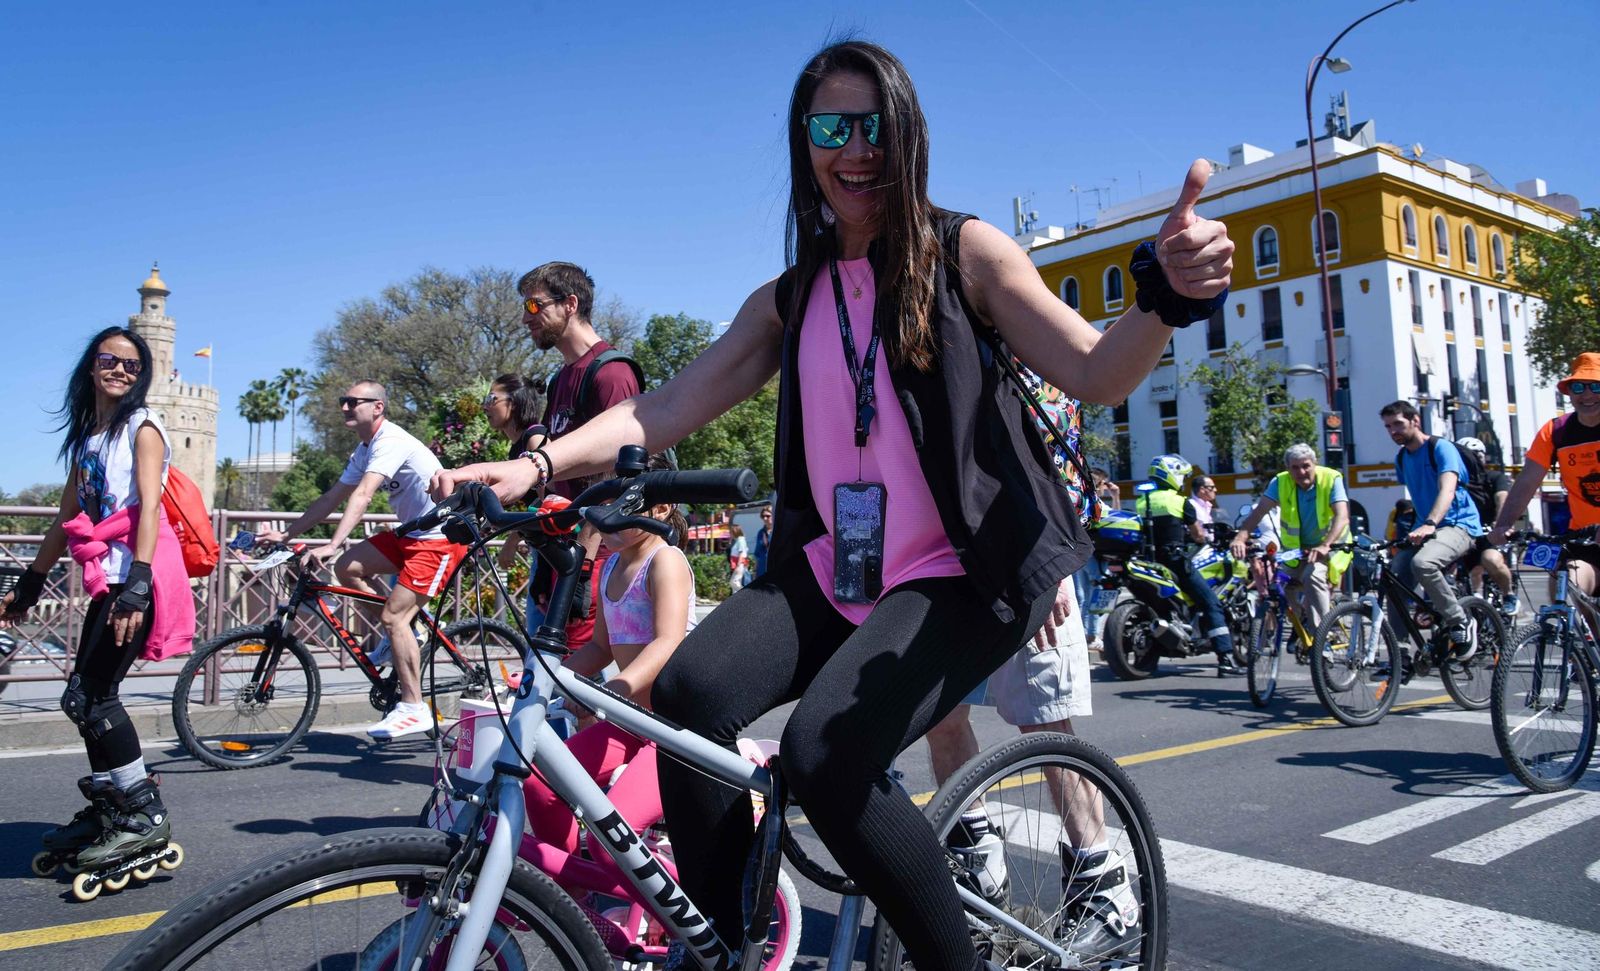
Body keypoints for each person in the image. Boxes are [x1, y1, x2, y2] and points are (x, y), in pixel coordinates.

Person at [433, 40, 1233, 969]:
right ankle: (726, 945)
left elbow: (1096, 371)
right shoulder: (792, 296)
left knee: (825, 754)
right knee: (685, 695)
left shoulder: (965, 251)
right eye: (831, 129)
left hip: (963, 568)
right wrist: (534, 467)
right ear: (803, 143)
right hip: (840, 563)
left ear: (909, 134)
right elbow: (662, 408)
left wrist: (1164, 298)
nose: (856, 150)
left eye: (875, 126)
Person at [0, 327, 195, 873]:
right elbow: (68, 516)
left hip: (135, 580)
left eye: (132, 366)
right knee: (82, 699)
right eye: (111, 360)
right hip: (105, 581)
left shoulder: (142, 427)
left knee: (96, 699)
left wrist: (137, 583)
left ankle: (143, 813)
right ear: (92, 366)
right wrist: (32, 580)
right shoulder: (91, 435)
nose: (120, 371)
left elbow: (149, 508)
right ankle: (112, 806)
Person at [922, 581, 1128, 954]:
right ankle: (979, 869)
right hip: (949, 576)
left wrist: (1047, 576)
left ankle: (1104, 886)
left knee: (1045, 722)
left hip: (1023, 566)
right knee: (939, 715)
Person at [256, 381, 465, 739]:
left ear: (378, 407)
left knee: (393, 617)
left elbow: (364, 494)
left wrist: (333, 543)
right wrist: (287, 535)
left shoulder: (390, 441)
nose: (344, 407)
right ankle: (412, 630)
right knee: (347, 567)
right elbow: (332, 497)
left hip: (438, 539)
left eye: (353, 402)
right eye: (343, 401)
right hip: (411, 534)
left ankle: (413, 708)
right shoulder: (364, 449)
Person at [521, 453, 695, 866]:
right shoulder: (613, 564)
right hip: (632, 722)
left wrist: (610, 692)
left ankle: (656, 904)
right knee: (541, 786)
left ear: (661, 508)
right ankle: (573, 895)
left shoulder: (664, 560)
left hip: (674, 731)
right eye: (603, 503)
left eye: (622, 505)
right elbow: (600, 647)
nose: (606, 518)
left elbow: (668, 642)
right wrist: (543, 678)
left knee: (610, 839)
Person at [521, 261, 643, 652]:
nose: (526, 318)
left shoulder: (611, 373)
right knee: (548, 671)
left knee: (578, 678)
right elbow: (554, 473)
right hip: (563, 550)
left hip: (597, 553)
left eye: (535, 305)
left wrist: (584, 567)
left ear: (570, 304)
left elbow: (615, 480)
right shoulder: (560, 379)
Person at [1487, 352, 1600, 599]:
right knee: (1566, 585)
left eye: (1596, 386)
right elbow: (1527, 481)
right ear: (1569, 393)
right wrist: (1504, 524)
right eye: (1578, 387)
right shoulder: (1555, 431)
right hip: (1585, 539)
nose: (1587, 394)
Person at [1380, 399, 1482, 650]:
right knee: (1394, 578)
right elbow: (1419, 495)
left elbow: (1447, 490)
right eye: (1388, 427)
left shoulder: (1441, 448)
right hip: (1425, 529)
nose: (1393, 431)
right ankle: (1400, 652)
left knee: (1423, 563)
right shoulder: (1402, 458)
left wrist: (1429, 523)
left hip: (1458, 525)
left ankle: (1460, 621)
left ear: (1415, 420)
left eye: (1398, 424)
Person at [1230, 443, 1350, 633]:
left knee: (1312, 576)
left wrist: (1325, 545)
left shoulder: (1331, 478)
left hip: (1331, 546)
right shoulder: (1280, 482)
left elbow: (1342, 516)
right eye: (1295, 467)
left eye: (1306, 466)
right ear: (1288, 468)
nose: (1301, 472)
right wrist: (1239, 538)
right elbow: (1258, 512)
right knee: (1279, 583)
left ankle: (1324, 633)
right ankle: (1302, 622)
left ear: (1315, 463)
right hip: (1298, 551)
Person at [1139, 454, 1240, 675]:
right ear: (1172, 475)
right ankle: (1226, 658)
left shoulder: (1142, 501)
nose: (1183, 481)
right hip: (1175, 562)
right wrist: (1201, 538)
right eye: (1182, 477)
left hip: (1148, 561)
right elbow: (1198, 535)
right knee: (1212, 603)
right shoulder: (1179, 501)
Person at [484, 374, 549, 622]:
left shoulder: (535, 438)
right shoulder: (517, 446)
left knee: (540, 628)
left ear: (514, 402)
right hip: (542, 547)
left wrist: (513, 539)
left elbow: (549, 501)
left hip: (554, 549)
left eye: (491, 399)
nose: (485, 406)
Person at [1455, 436, 1518, 617]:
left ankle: (1508, 595)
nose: (1474, 458)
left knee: (1490, 560)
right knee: (1458, 569)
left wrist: (1501, 523)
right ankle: (1474, 601)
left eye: (1478, 454)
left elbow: (1501, 499)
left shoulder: (1494, 477)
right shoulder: (1456, 480)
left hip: (1489, 532)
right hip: (1464, 532)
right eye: (1467, 455)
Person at [727, 524, 749, 591]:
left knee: (734, 582)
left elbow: (741, 553)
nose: (730, 534)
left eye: (731, 532)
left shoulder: (740, 540)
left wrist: (738, 565)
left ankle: (744, 593)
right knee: (736, 582)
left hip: (739, 563)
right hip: (738, 563)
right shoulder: (738, 540)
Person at [753, 506, 773, 579]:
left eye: (767, 516)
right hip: (761, 569)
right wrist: (755, 571)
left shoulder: (778, 532)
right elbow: (757, 554)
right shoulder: (761, 533)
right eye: (763, 516)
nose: (765, 518)